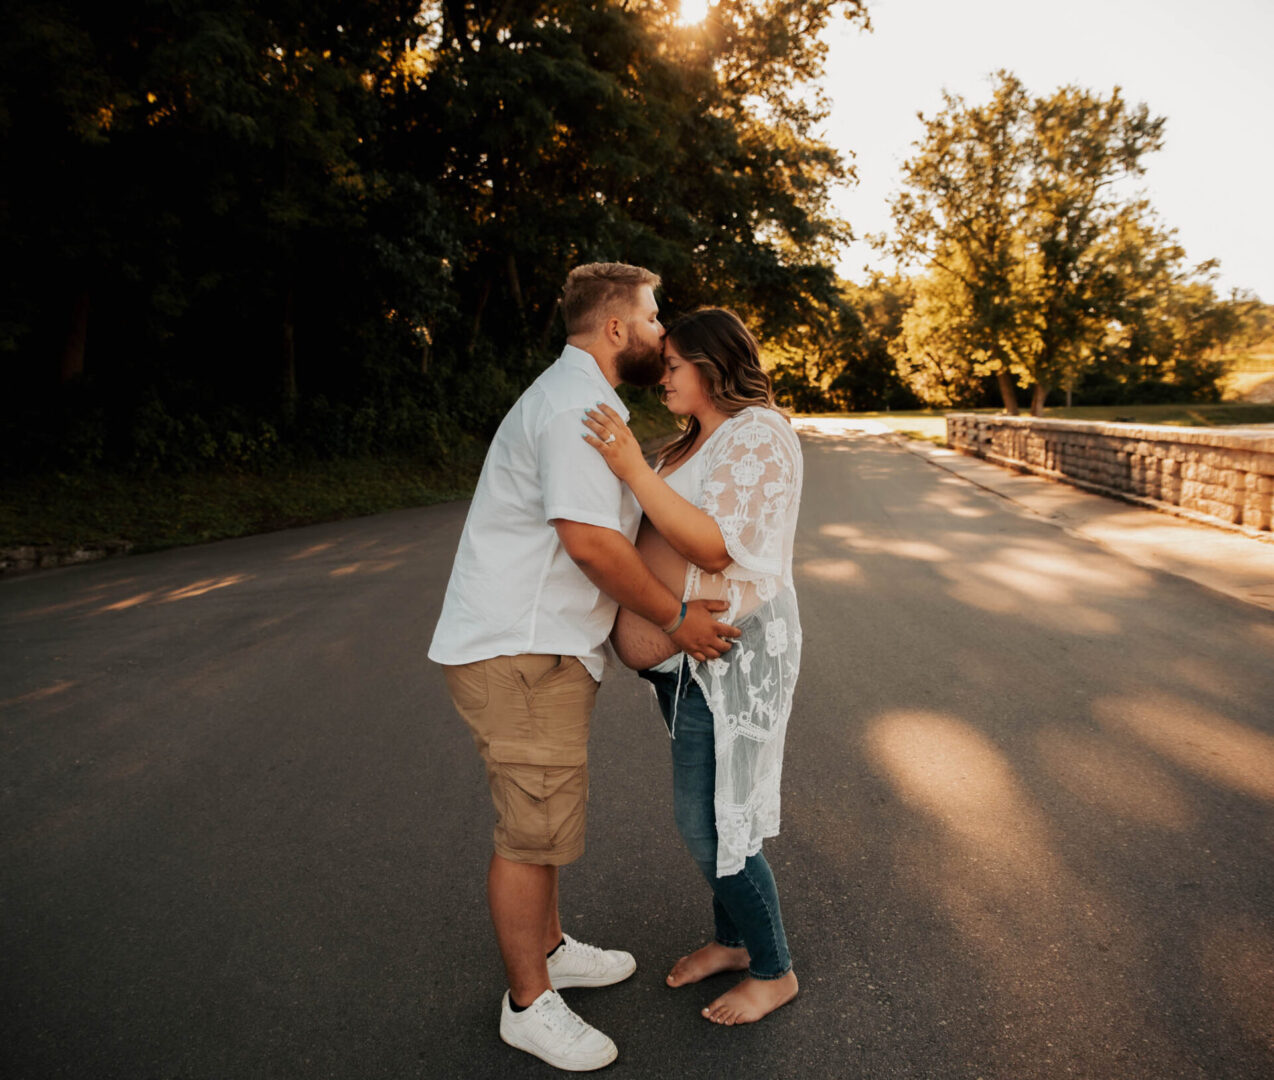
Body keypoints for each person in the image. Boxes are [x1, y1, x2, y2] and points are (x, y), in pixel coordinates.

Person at [428, 263, 742, 1071]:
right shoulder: (575, 406)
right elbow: (591, 543)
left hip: (541, 647)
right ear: (615, 329)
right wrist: (675, 618)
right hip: (519, 647)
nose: (661, 331)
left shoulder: (583, 399)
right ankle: (529, 1003)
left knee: (547, 818)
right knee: (530, 831)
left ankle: (552, 947)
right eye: (652, 317)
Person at [581, 307, 803, 1026]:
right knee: (718, 810)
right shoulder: (693, 440)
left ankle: (774, 970)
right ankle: (733, 942)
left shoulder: (758, 432)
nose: (663, 376)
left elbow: (714, 546)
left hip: (724, 661)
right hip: (683, 668)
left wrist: (629, 469)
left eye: (674, 364)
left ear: (712, 365)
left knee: (707, 823)